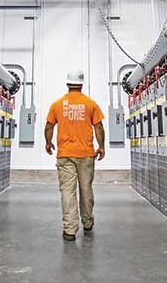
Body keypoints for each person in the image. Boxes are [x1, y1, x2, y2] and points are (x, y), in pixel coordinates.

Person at [44, 69, 106, 241]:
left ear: (67, 83)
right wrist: (101, 147)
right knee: (86, 189)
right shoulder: (90, 104)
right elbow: (99, 127)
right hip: (86, 154)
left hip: (65, 155)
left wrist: (48, 143)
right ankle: (87, 222)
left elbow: (49, 126)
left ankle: (70, 230)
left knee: (67, 191)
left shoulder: (57, 104)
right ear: (81, 84)